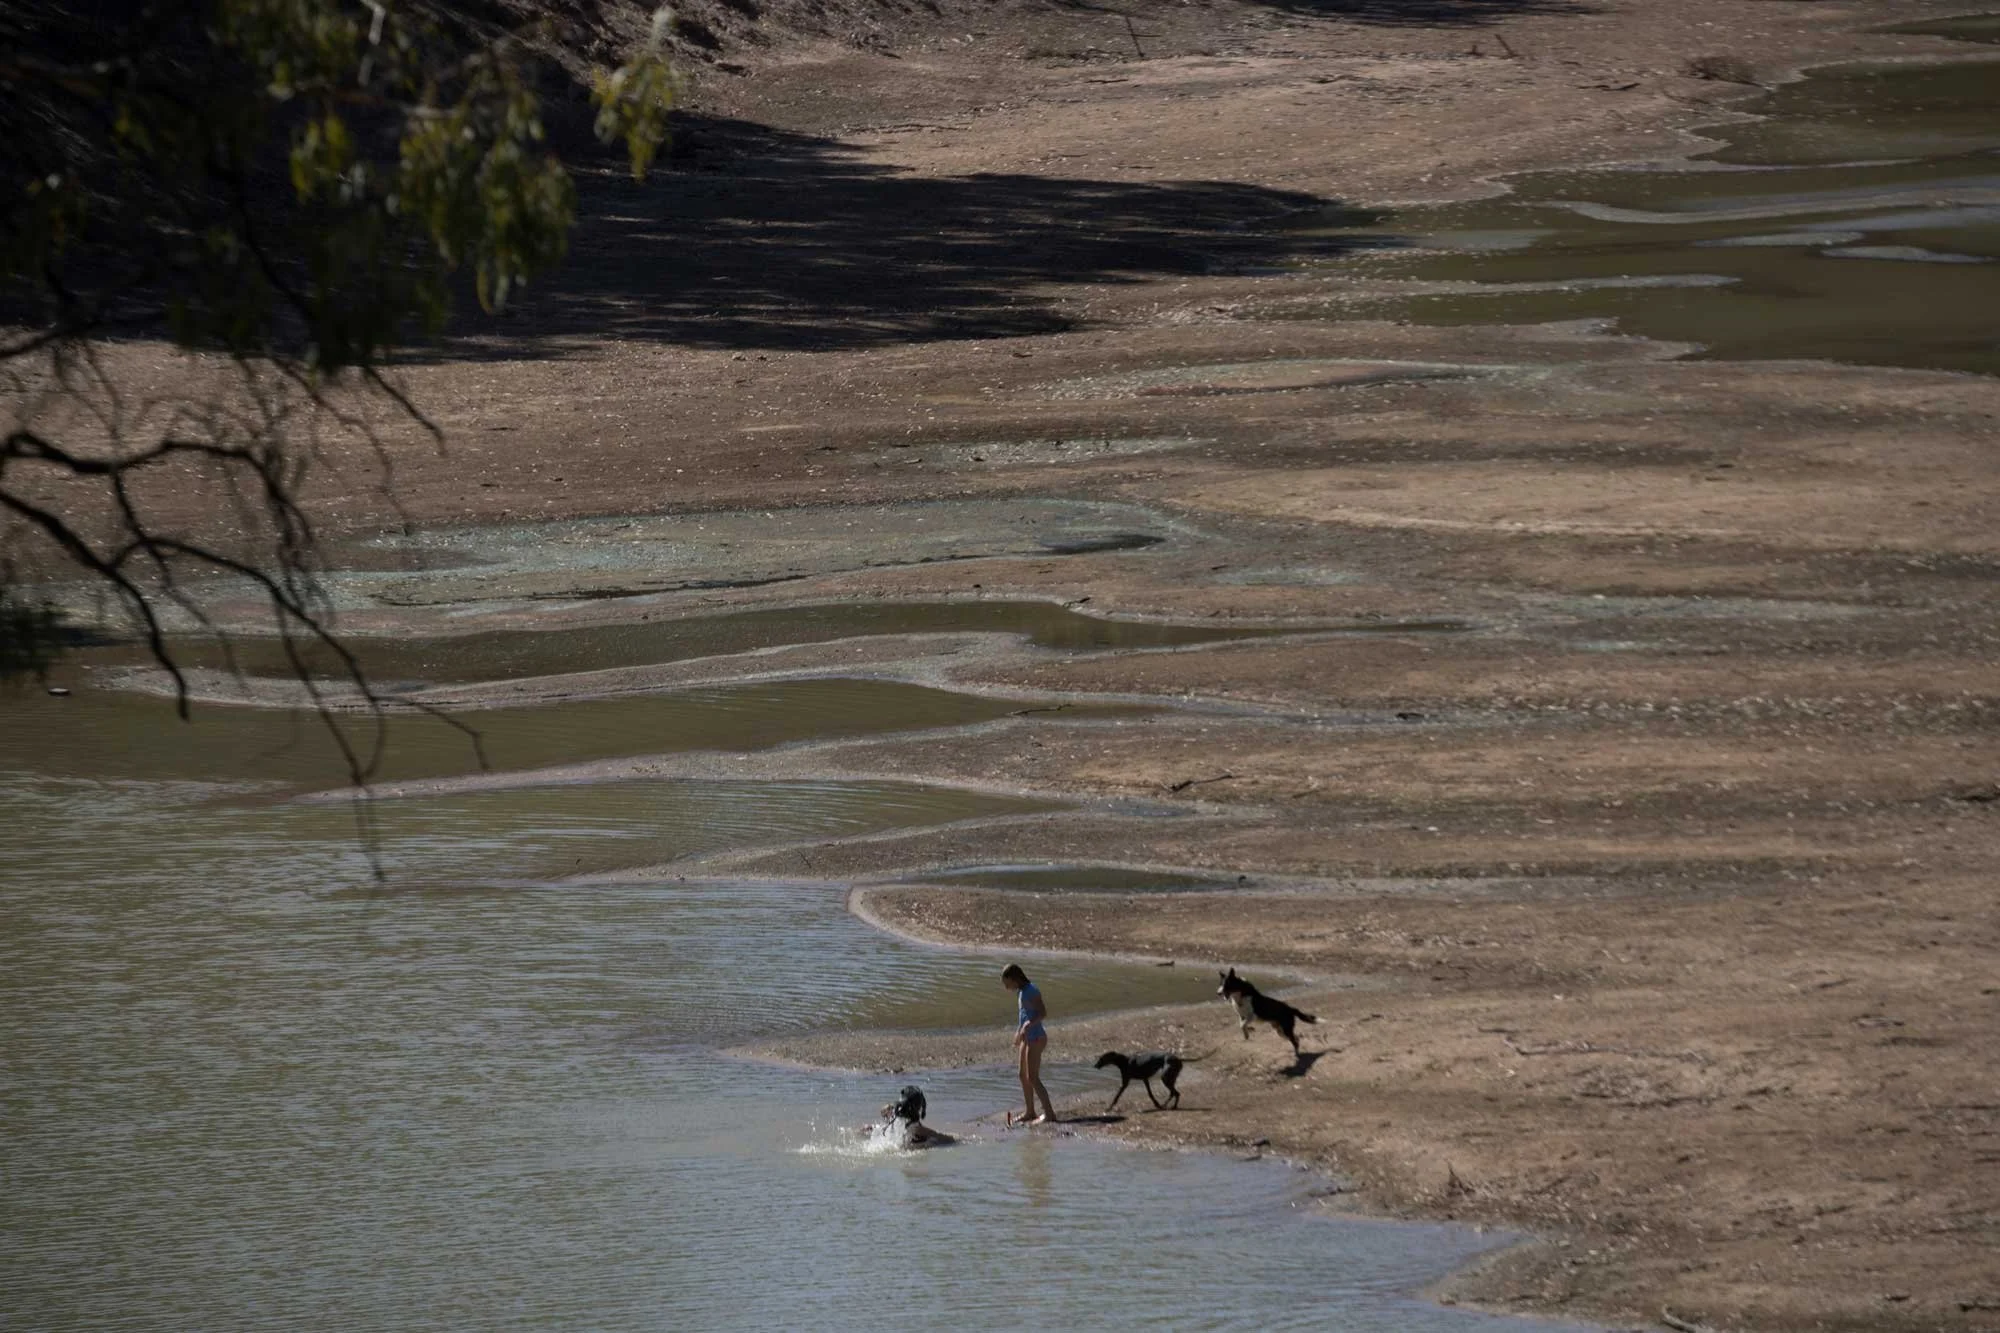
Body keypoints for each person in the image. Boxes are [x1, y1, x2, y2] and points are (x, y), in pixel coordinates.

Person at [1001, 963, 1057, 1125]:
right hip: (1027, 1038)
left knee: (1033, 1077)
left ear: (1015, 979)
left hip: (1036, 1038)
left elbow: (1042, 1012)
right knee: (1022, 1075)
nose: (1006, 987)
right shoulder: (1021, 992)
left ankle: (1049, 1114)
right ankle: (1030, 1111)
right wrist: (1019, 1032)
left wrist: (1028, 1025)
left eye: (1007, 983)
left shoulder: (1031, 990)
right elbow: (1024, 1015)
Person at [877, 1084, 955, 1148]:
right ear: (919, 1107)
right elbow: (940, 1137)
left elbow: (884, 1110)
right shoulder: (916, 1128)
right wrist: (957, 1140)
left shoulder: (895, 1114)